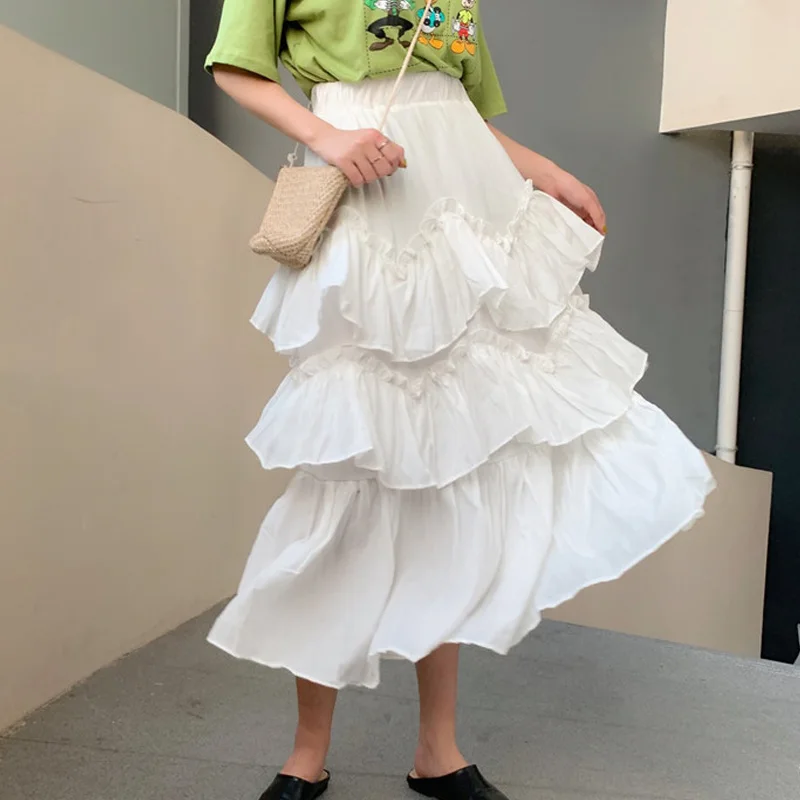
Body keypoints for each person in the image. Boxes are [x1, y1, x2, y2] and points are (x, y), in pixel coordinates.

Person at [204, 3, 715, 800]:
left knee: (446, 473)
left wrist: (548, 173)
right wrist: (326, 136)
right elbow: (235, 67)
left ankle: (437, 752)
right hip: (369, 202)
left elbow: (456, 111)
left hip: (463, 207)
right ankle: (305, 754)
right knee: (348, 471)